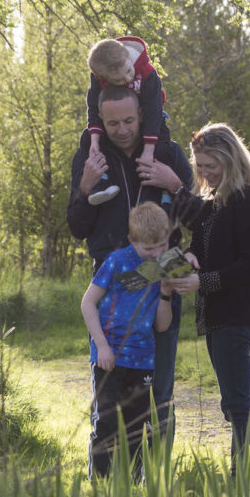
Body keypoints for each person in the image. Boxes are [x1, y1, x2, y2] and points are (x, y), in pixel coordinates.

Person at [68, 85, 190, 439]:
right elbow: (77, 227)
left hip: (166, 263)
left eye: (129, 121)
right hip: (111, 275)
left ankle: (157, 476)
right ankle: (111, 471)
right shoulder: (89, 155)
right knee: (110, 386)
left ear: (142, 115)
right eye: (112, 123)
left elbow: (197, 216)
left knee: (161, 387)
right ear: (100, 121)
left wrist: (176, 183)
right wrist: (85, 189)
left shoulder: (167, 151)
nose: (121, 130)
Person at [164, 122, 250, 471]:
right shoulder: (217, 202)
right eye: (200, 167)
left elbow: (249, 267)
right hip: (217, 316)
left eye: (212, 166)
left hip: (236, 316)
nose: (205, 174)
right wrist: (193, 257)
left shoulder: (247, 202)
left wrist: (202, 282)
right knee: (237, 403)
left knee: (238, 405)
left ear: (232, 160)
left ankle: (244, 476)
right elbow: (202, 241)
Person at [80, 202, 175, 478]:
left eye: (162, 246)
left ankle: (132, 483)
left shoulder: (164, 264)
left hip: (142, 360)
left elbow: (162, 324)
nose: (156, 254)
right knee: (107, 421)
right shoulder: (116, 261)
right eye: (149, 249)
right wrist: (102, 346)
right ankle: (99, 482)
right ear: (133, 240)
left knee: (136, 427)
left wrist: (166, 293)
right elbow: (87, 303)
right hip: (108, 358)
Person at [83, 37, 179, 205]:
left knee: (162, 148)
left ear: (128, 57)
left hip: (151, 118)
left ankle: (165, 196)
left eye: (128, 71)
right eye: (118, 80)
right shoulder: (98, 78)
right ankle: (102, 184)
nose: (127, 79)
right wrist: (94, 141)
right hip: (121, 118)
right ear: (102, 78)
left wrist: (149, 150)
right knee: (96, 146)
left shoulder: (148, 73)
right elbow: (93, 108)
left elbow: (153, 111)